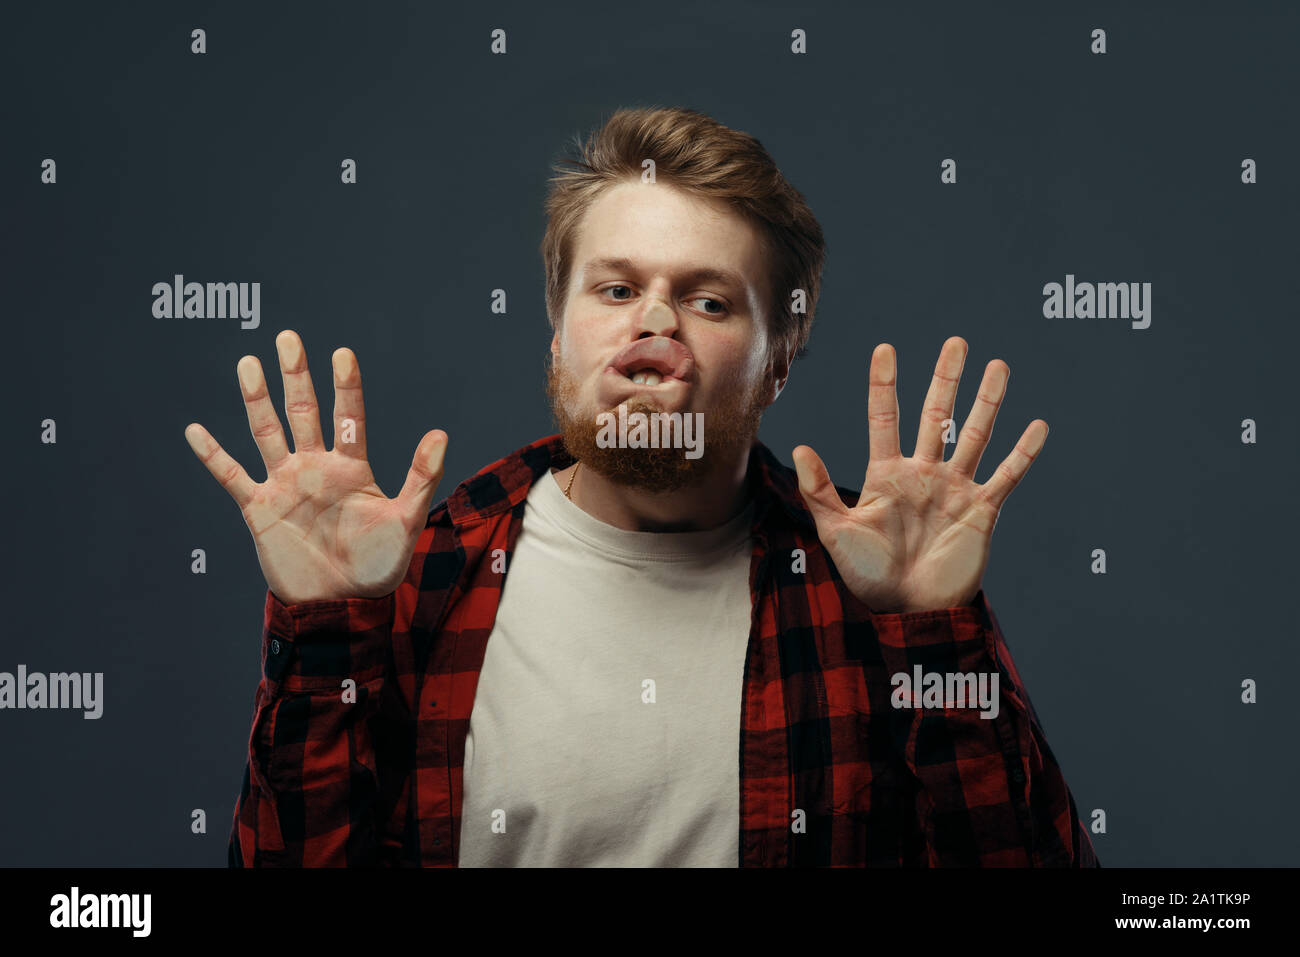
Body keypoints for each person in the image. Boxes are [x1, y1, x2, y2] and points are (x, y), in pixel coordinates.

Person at [184, 106, 1098, 867]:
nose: (655, 325)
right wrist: (321, 637)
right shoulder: (421, 574)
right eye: (616, 290)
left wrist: (936, 637)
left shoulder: (870, 591)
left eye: (709, 301)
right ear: (557, 332)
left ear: (777, 362)